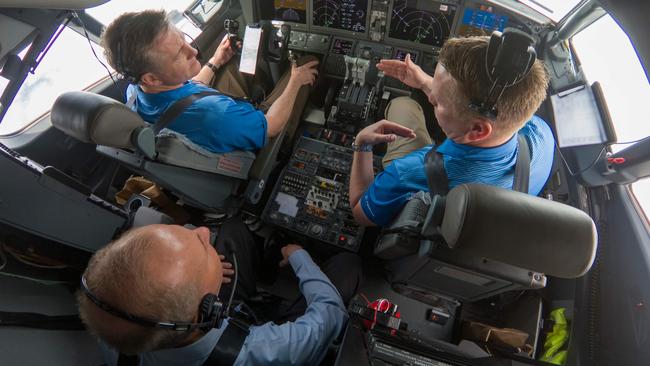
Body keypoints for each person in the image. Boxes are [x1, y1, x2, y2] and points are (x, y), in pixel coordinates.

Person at [77, 218, 362, 365]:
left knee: (233, 229)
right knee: (349, 264)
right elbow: (329, 313)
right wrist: (299, 256)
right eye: (203, 246)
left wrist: (204, 273)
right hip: (240, 337)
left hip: (213, 320)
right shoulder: (264, 352)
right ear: (210, 305)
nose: (201, 230)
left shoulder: (118, 334)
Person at [349, 36, 555, 227]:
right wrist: (425, 82)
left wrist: (362, 144)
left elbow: (359, 212)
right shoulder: (541, 133)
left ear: (477, 130)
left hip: (438, 183)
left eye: (437, 103)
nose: (430, 98)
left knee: (402, 104)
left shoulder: (409, 173)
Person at [101, 10, 319, 153]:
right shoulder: (214, 114)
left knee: (236, 61)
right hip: (259, 132)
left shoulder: (135, 92)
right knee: (307, 63)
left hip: (212, 120)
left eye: (184, 40)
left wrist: (216, 61)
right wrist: (295, 81)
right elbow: (271, 127)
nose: (194, 50)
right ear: (151, 78)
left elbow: (184, 95)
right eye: (180, 55)